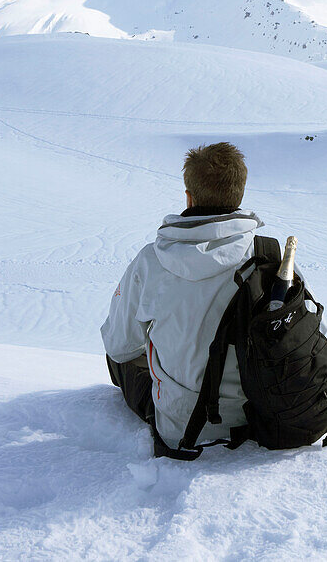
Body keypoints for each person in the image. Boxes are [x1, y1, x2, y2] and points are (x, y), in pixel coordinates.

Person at [102, 141, 263, 453]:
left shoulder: (151, 261)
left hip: (181, 425)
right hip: (258, 415)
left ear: (189, 197)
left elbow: (119, 347)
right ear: (239, 195)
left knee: (118, 353)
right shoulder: (268, 257)